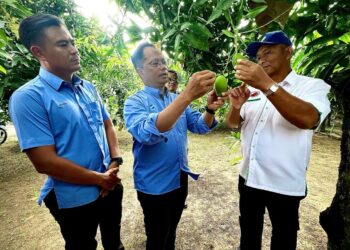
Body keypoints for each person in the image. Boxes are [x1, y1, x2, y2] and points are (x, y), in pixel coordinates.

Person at [9, 14, 124, 250]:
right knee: (82, 245)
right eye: (63, 44)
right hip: (73, 198)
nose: (73, 49)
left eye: (72, 42)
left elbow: (107, 123)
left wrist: (114, 161)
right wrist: (100, 179)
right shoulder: (28, 97)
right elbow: (45, 162)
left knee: (115, 243)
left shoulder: (87, 87)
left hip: (110, 183)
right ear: (39, 52)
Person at [226, 30, 331, 250]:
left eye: (268, 52)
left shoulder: (312, 86)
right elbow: (234, 124)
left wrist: (266, 84)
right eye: (258, 56)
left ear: (288, 52)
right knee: (248, 235)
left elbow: (309, 119)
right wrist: (235, 108)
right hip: (249, 177)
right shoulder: (252, 90)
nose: (262, 59)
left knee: (283, 239)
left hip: (283, 184)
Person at [124, 42, 224, 250]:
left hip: (179, 177)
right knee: (158, 238)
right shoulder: (134, 102)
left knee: (171, 233)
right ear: (140, 71)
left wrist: (210, 110)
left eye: (163, 61)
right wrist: (187, 96)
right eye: (155, 63)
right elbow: (146, 134)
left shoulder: (176, 98)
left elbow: (199, 126)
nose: (163, 67)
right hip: (154, 185)